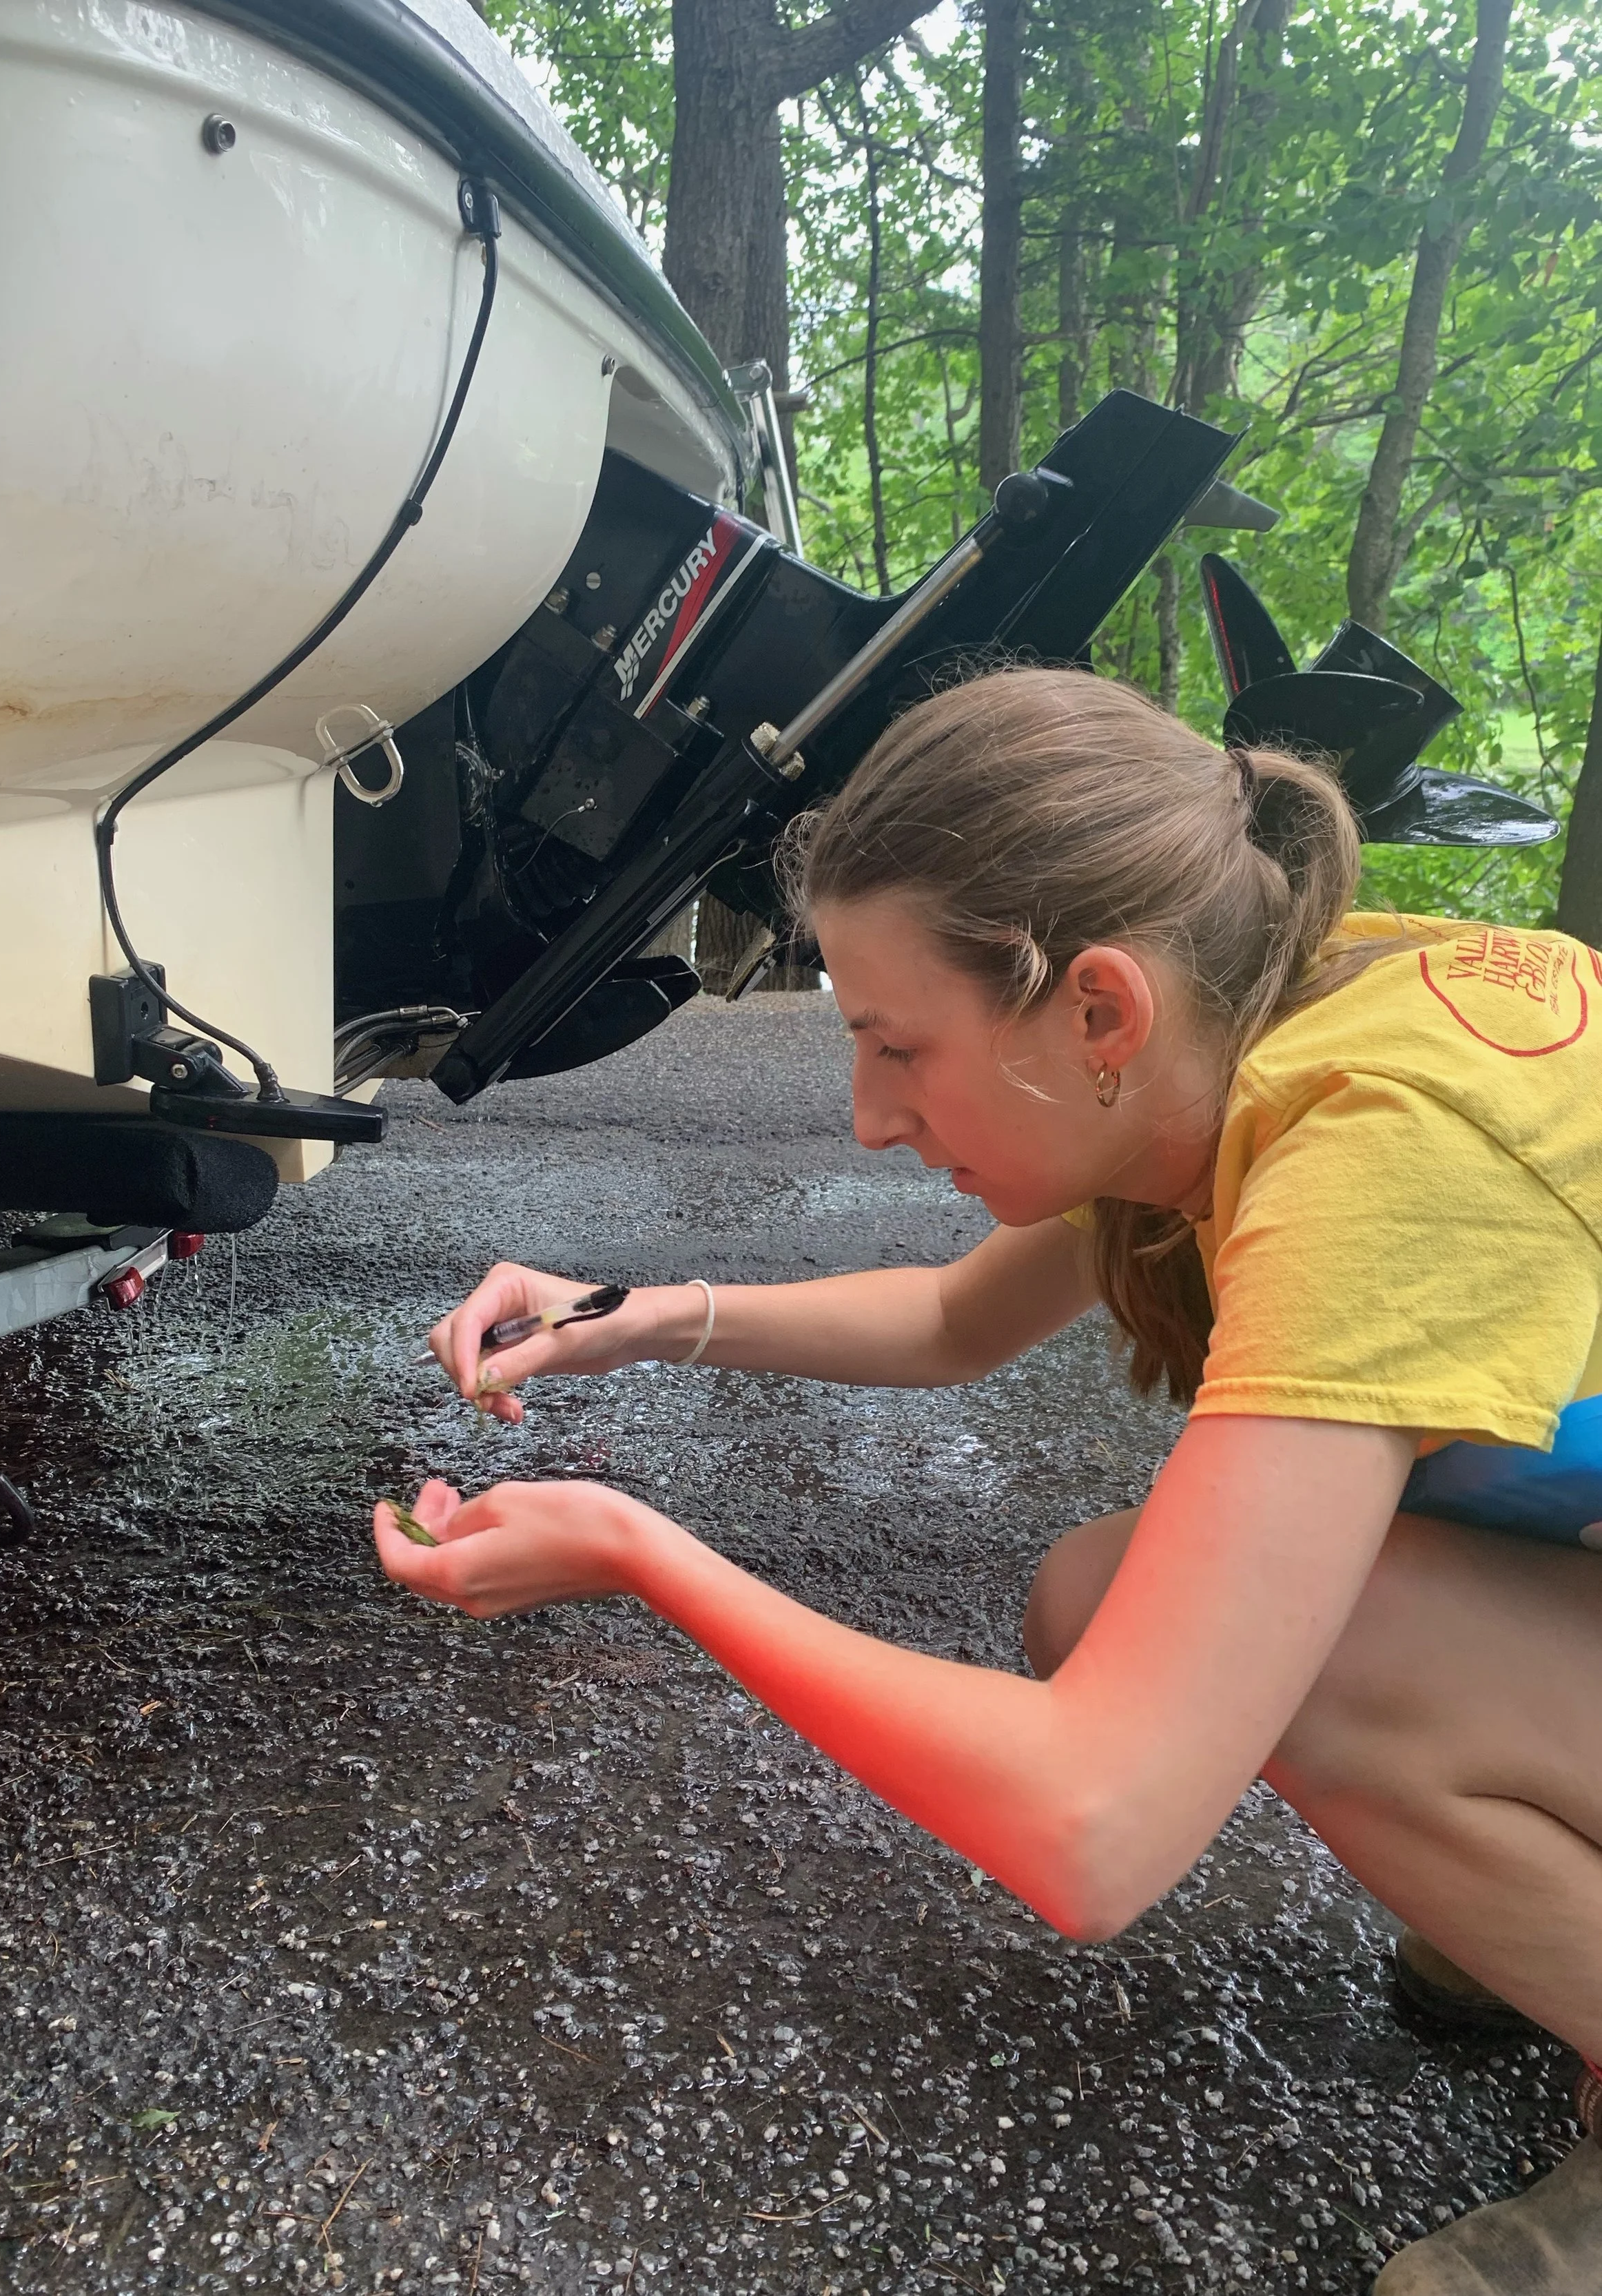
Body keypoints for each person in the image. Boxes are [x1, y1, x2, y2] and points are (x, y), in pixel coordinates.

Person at [374, 666, 1602, 2293]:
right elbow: (959, 1315)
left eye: (899, 1046)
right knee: (1100, 1599)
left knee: (1315, 1665)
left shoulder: (1385, 1156)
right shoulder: (1239, 1014)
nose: (871, 1119)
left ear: (1096, 1008)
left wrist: (638, 1550)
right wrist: (638, 1315)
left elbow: (1091, 1827)